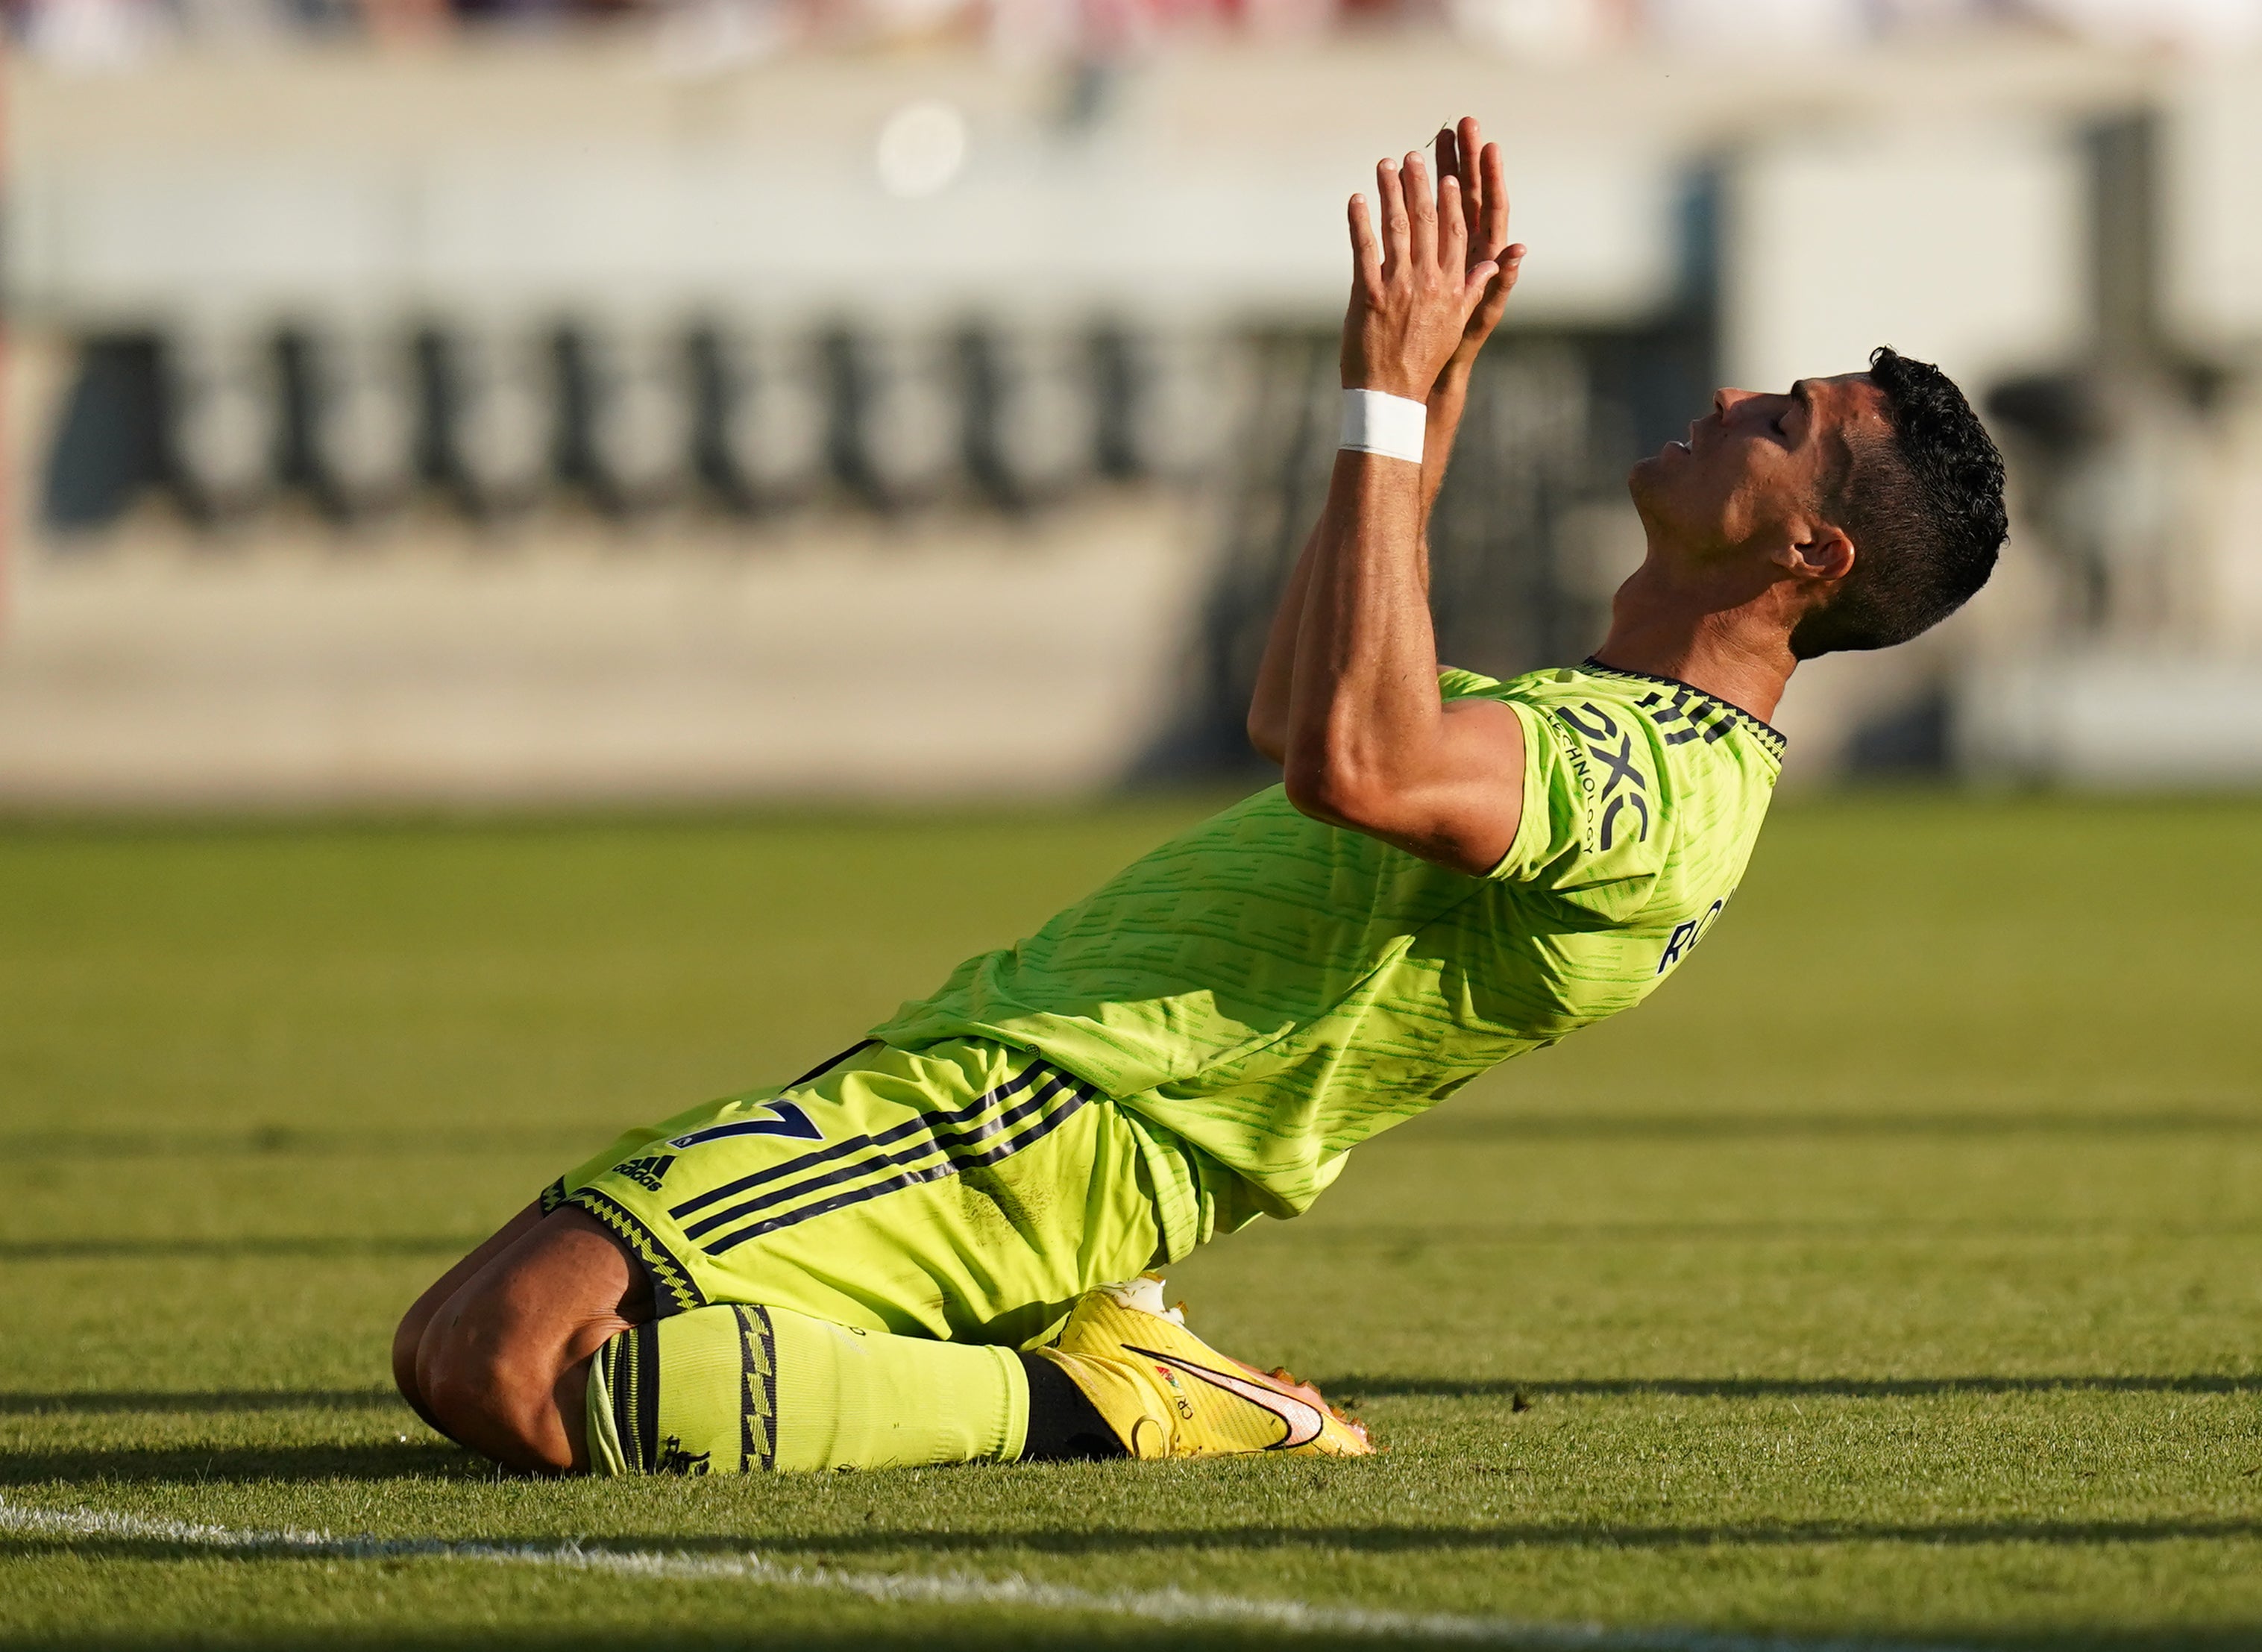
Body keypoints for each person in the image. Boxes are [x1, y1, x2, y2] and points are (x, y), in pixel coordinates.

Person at [393, 116, 2008, 1477]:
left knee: (507, 1364)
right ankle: (1080, 1345)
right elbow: (1297, 715)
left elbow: (1353, 762)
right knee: (468, 1337)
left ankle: (1107, 1400)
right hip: (1020, 1097)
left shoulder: (1655, 775)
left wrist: (1384, 400)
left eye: (1782, 425)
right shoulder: (1609, 723)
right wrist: (1414, 412)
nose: (1730, 399)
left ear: (1811, 555)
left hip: (1050, 1120)